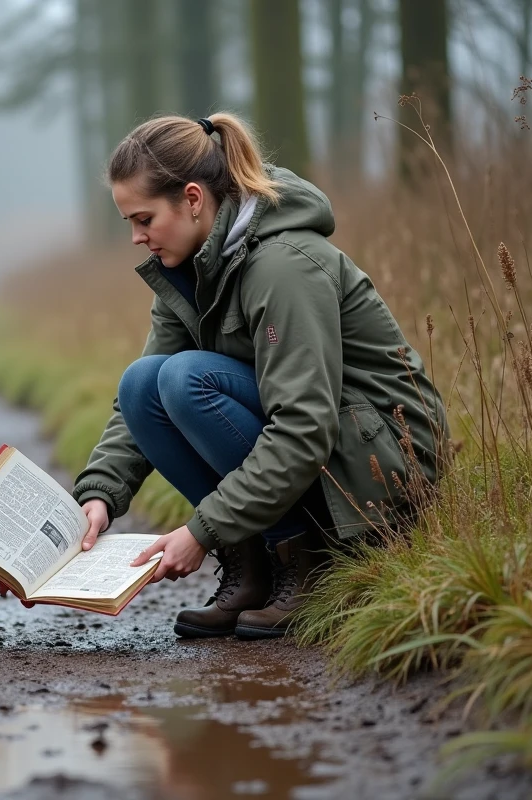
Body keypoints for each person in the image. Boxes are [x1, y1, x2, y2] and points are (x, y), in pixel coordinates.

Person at [69, 113, 447, 640]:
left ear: (194, 199)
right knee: (143, 383)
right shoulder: (189, 268)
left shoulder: (284, 265)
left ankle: (306, 559)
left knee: (185, 379)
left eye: (144, 219)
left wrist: (201, 530)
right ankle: (253, 570)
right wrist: (100, 495)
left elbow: (304, 424)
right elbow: (139, 401)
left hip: (379, 462)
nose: (136, 237)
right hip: (322, 442)